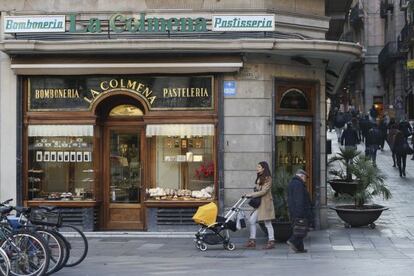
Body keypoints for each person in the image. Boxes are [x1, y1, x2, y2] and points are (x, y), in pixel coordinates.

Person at [244, 161, 275, 250]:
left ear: (263, 168)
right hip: (260, 203)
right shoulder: (260, 177)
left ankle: (271, 241)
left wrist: (251, 194)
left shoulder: (268, 178)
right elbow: (258, 189)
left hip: (265, 203)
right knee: (252, 220)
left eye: (258, 167)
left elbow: (264, 191)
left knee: (267, 223)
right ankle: (252, 240)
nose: (256, 168)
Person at [286, 169, 312, 253]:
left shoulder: (293, 183)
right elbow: (299, 200)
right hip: (299, 211)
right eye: (305, 177)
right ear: (301, 176)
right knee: (303, 229)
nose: (305, 180)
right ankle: (292, 241)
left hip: (294, 210)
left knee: (299, 229)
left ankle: (300, 248)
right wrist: (300, 213)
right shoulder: (298, 184)